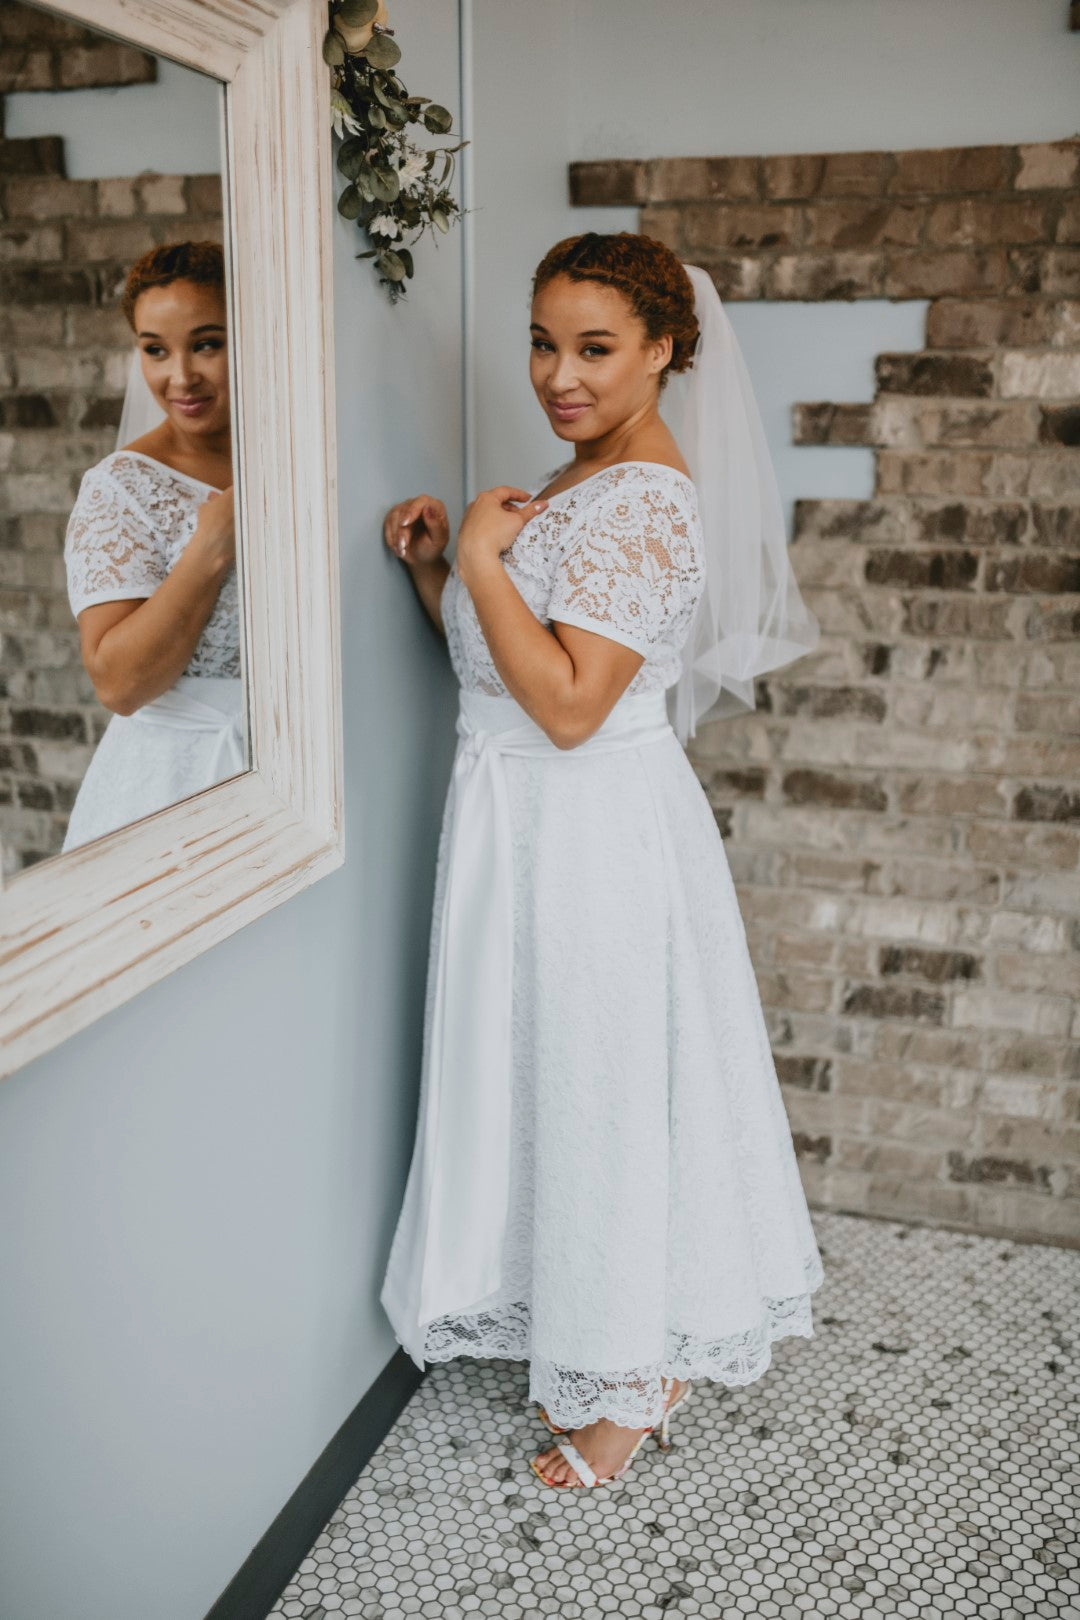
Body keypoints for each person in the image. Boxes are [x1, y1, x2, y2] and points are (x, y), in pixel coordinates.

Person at [379, 231, 825, 1490]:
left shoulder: (646, 497)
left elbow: (571, 707)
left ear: (664, 351)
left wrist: (477, 554)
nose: (558, 375)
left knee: (602, 1089)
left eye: (593, 348)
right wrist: (441, 578)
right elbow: (514, 669)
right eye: (542, 342)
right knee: (554, 1078)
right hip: (524, 821)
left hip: (590, 833)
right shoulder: (580, 481)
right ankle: (602, 1327)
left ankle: (627, 1389)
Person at [61, 239, 243, 853]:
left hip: (299, 781)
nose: (180, 376)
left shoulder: (302, 461)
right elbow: (118, 686)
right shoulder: (121, 489)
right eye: (155, 350)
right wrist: (208, 552)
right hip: (167, 795)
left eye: (207, 344)